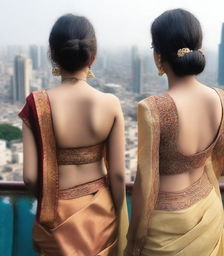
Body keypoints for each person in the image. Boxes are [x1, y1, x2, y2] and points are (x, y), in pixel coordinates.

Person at [125, 9, 224, 256]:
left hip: (165, 224)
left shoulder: (153, 108)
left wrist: (134, 238)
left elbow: (146, 183)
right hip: (208, 212)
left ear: (158, 56)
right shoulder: (223, 100)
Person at [18, 14, 128, 256]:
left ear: (53, 55)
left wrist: (51, 201)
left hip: (53, 215)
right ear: (93, 56)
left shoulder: (36, 104)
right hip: (100, 216)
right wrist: (117, 214)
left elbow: (29, 177)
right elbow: (118, 175)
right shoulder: (110, 104)